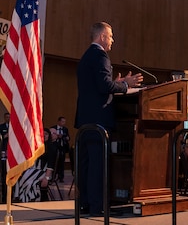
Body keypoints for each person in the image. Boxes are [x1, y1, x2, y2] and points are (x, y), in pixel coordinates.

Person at [74, 22, 143, 216]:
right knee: (98, 167)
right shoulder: (101, 56)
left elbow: (98, 85)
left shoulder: (87, 56)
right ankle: (98, 208)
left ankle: (86, 204)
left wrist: (116, 82)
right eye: (111, 36)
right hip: (99, 120)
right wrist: (125, 85)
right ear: (102, 37)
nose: (113, 40)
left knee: (87, 166)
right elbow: (104, 87)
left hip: (85, 120)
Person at [14, 128, 58, 202]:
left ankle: (30, 198)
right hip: (33, 169)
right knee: (19, 176)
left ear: (49, 136)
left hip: (45, 172)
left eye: (46, 134)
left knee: (27, 179)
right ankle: (22, 198)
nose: (44, 135)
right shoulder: (36, 147)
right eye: (42, 134)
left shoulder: (51, 148)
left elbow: (51, 165)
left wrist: (46, 178)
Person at [50, 116, 69, 183]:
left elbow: (68, 137)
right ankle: (53, 176)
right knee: (54, 162)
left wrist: (66, 138)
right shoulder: (53, 128)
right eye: (62, 121)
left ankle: (61, 177)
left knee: (62, 163)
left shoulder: (65, 129)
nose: (64, 123)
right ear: (59, 121)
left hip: (62, 147)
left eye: (64, 122)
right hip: (55, 147)